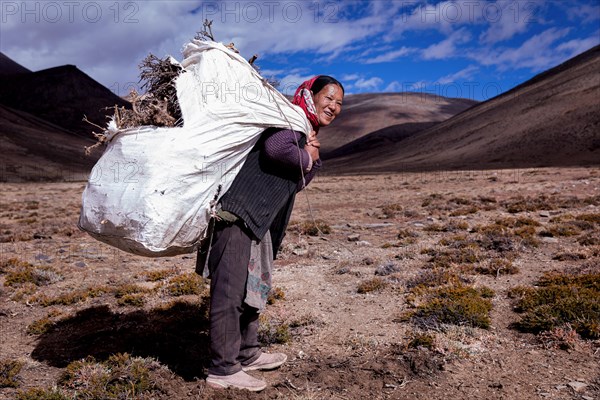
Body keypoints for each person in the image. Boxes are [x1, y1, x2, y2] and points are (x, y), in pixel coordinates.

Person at [200, 75, 344, 391]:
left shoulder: (303, 130)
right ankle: (223, 369)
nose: (333, 107)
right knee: (230, 290)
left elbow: (295, 182)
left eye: (339, 104)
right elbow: (276, 150)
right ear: (310, 95)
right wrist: (308, 156)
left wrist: (312, 160)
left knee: (252, 288)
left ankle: (247, 353)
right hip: (237, 214)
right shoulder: (289, 118)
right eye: (329, 98)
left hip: (257, 221)